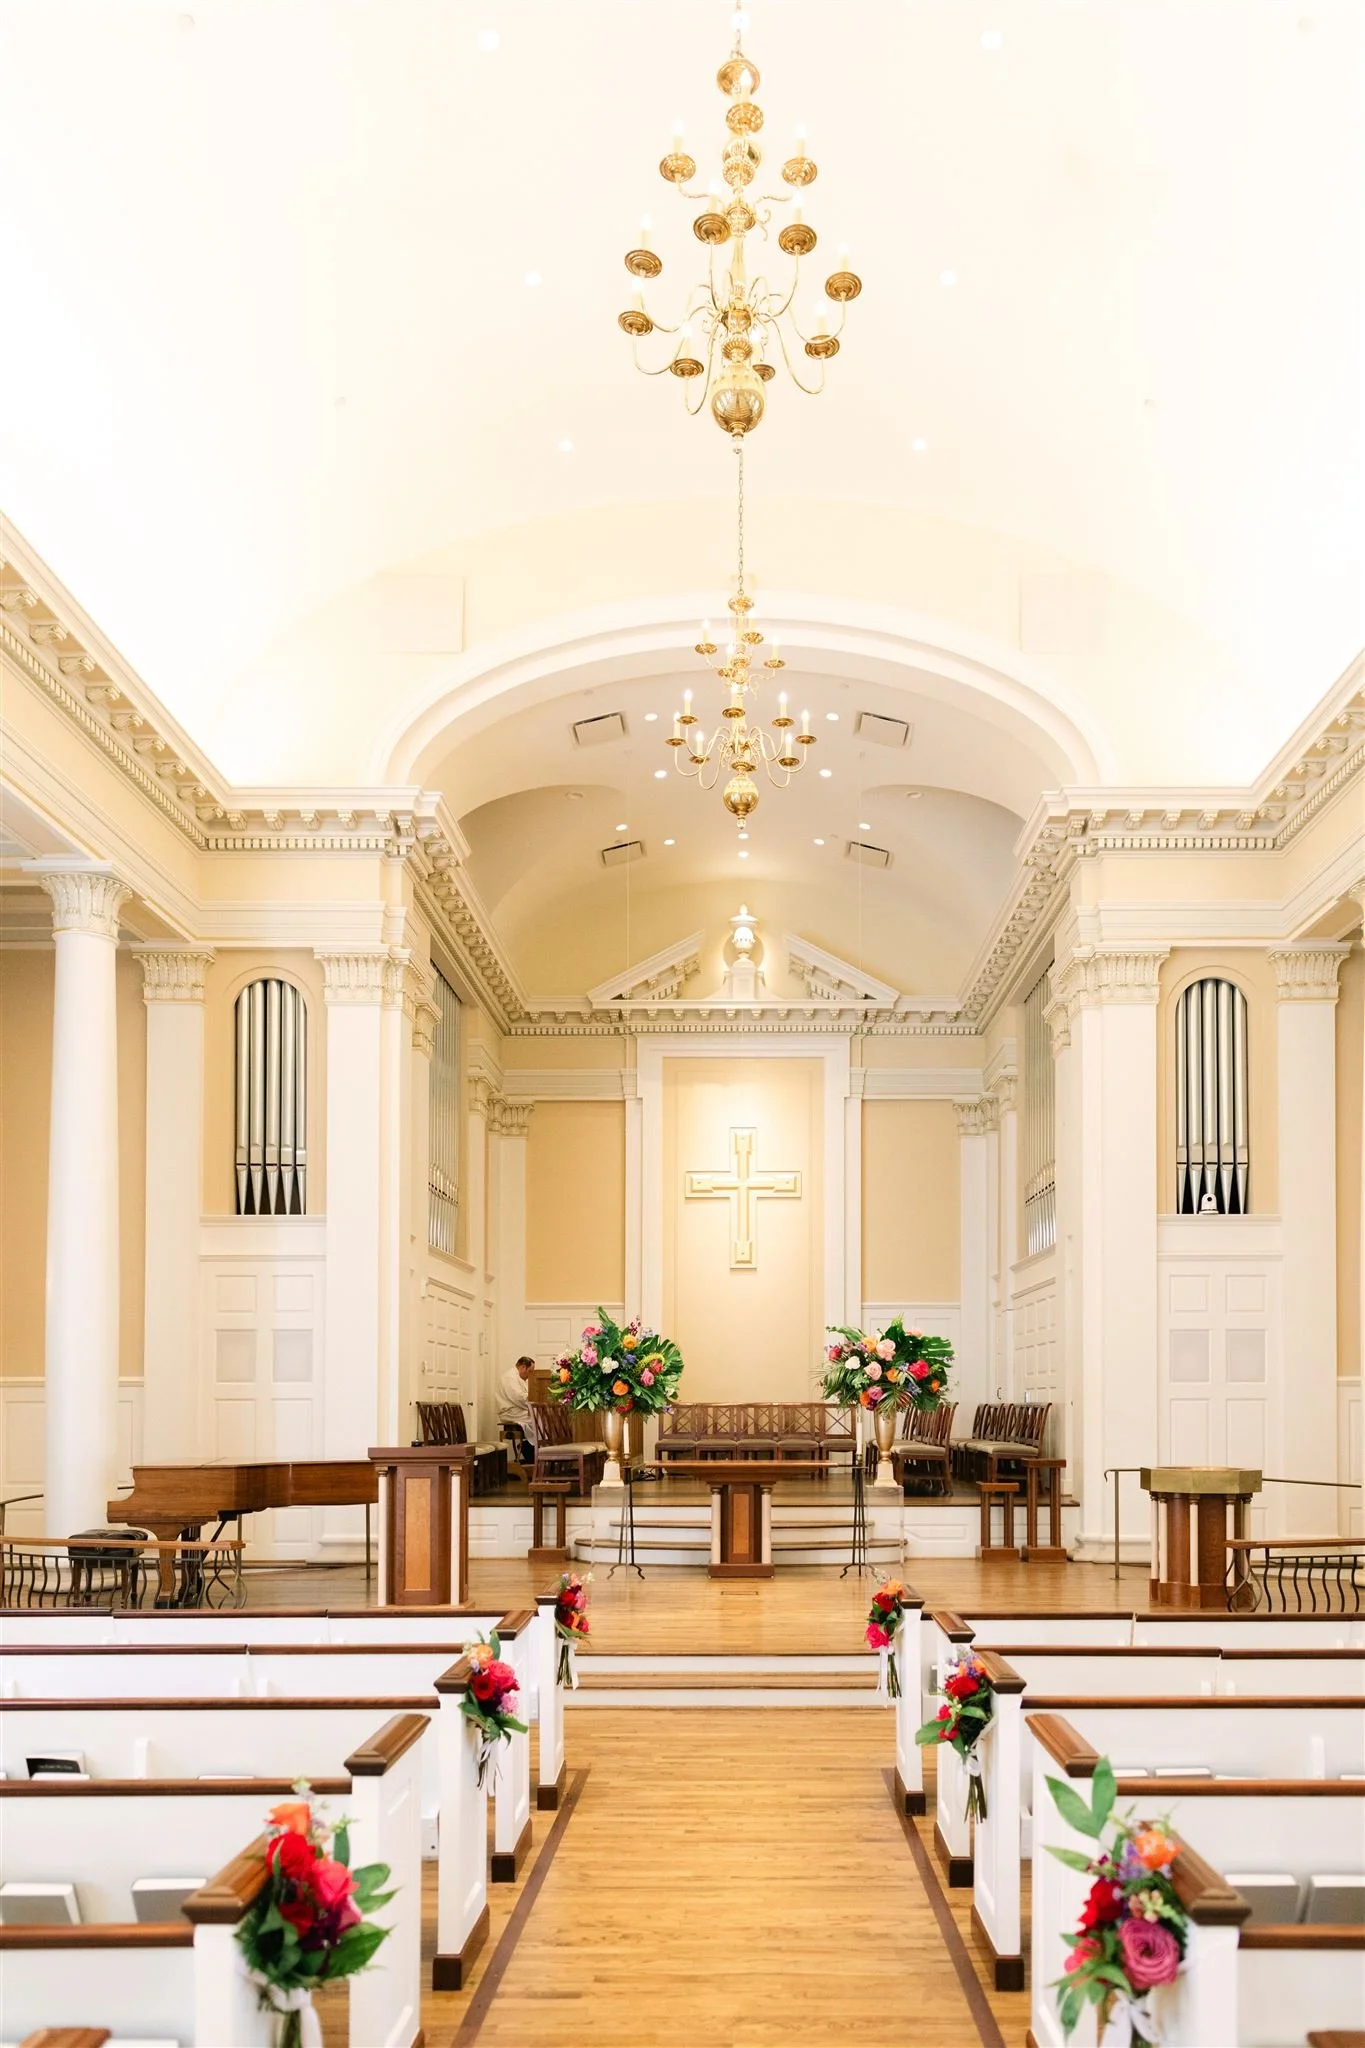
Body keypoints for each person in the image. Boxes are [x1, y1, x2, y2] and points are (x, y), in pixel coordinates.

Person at [498, 1355, 537, 1466]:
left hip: (518, 1410)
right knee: (538, 1419)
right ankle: (530, 1449)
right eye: (530, 1371)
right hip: (511, 1412)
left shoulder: (518, 1377)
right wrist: (535, 1403)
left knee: (541, 1418)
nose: (530, 1375)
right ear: (523, 1367)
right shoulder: (509, 1377)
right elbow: (519, 1398)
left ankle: (532, 1448)